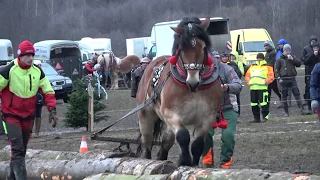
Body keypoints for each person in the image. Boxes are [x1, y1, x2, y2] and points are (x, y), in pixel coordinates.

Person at [0, 40, 57, 179]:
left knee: (21, 151)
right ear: (19, 56)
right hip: (10, 115)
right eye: (27, 55)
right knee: (17, 148)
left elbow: (47, 91)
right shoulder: (9, 70)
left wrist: (52, 109)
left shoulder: (37, 71)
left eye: (32, 55)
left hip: (28, 116)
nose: (30, 58)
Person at [202, 60, 242, 169]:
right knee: (204, 135)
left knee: (228, 136)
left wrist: (227, 87)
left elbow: (238, 85)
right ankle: (208, 163)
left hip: (228, 108)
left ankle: (225, 165)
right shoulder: (200, 70)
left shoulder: (227, 69)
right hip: (208, 110)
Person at [275, 44, 304, 117]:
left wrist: (293, 59)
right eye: (286, 50)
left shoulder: (293, 57)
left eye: (289, 50)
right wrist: (279, 78)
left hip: (292, 78)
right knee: (284, 96)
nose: (287, 52)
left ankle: (301, 109)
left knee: (296, 93)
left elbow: (299, 64)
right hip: (283, 80)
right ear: (284, 50)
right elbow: (276, 70)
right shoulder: (279, 59)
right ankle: (286, 112)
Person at [245, 53, 274, 123]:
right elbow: (247, 75)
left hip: (262, 88)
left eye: (260, 58)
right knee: (253, 104)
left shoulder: (268, 67)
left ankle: (265, 117)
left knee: (264, 103)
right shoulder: (252, 66)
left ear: (263, 58)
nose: (259, 59)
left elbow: (271, 76)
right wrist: (249, 82)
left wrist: (266, 81)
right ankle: (256, 118)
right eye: (258, 58)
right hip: (253, 88)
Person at [301, 36, 319, 114]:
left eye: (315, 41)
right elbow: (304, 61)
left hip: (318, 73)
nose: (313, 42)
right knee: (309, 88)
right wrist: (312, 55)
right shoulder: (306, 49)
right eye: (312, 41)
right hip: (309, 73)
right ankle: (309, 106)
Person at [223, 52, 242, 116]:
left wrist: (234, 82)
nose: (224, 58)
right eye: (223, 57)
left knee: (236, 99)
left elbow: (238, 73)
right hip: (223, 86)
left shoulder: (232, 65)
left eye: (226, 57)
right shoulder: (218, 66)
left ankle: (237, 113)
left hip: (232, 85)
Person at [264, 41, 282, 108]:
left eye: (266, 46)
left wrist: (264, 66)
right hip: (268, 72)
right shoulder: (267, 53)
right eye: (265, 46)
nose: (265, 47)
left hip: (272, 72)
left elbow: (271, 63)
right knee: (273, 87)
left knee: (270, 88)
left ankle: (267, 103)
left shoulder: (273, 53)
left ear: (269, 46)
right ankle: (280, 97)